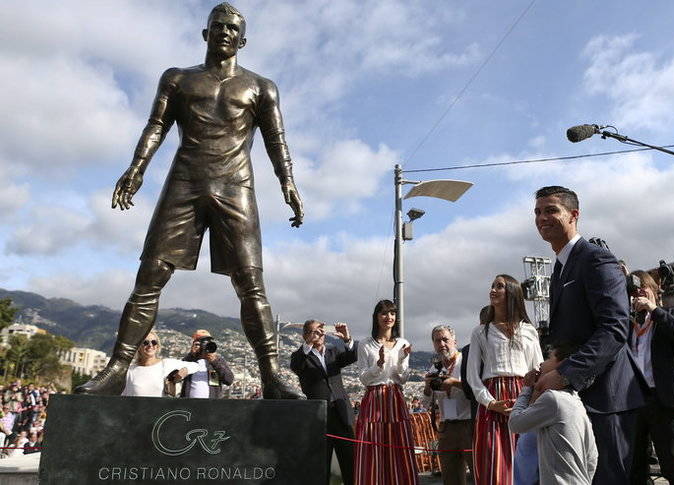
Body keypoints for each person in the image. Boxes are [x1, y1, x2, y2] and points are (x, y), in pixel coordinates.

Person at [75, 2, 304, 399]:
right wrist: (137, 167)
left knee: (251, 283)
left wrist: (288, 182)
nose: (225, 33)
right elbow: (157, 125)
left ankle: (271, 376)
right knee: (149, 277)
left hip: (236, 186)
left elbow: (276, 140)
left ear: (243, 40)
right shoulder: (178, 79)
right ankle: (115, 369)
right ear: (206, 33)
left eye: (233, 29)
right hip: (184, 182)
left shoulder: (260, 86)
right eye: (218, 26)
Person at [533, 186, 643, 485]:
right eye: (538, 212)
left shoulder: (596, 260)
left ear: (574, 215)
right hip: (579, 398)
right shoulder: (558, 270)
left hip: (608, 399)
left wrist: (565, 373)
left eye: (551, 210)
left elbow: (614, 328)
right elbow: (573, 333)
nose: (542, 217)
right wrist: (552, 363)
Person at [467, 275, 543, 485]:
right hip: (492, 400)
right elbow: (472, 375)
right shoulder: (481, 332)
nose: (493, 289)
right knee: (494, 464)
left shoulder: (528, 330)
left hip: (523, 397)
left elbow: (538, 367)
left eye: (499, 286)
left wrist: (532, 398)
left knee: (526, 461)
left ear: (511, 292)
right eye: (492, 285)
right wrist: (490, 403)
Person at [628, 270, 674, 485]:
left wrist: (654, 310)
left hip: (665, 400)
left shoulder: (672, 313)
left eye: (643, 289)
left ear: (655, 291)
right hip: (636, 400)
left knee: (673, 467)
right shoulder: (629, 324)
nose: (638, 295)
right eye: (633, 292)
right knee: (635, 466)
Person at [509, 342, 598, 485]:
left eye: (549, 358)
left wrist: (526, 388)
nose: (541, 363)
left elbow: (515, 423)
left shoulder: (553, 399)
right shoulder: (576, 400)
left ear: (561, 365)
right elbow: (592, 457)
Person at [354, 299, 419, 485]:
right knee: (372, 444)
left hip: (395, 397)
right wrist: (379, 364)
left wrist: (401, 359)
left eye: (392, 313)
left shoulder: (402, 343)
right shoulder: (365, 344)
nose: (388, 317)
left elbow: (403, 378)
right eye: (383, 313)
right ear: (376, 317)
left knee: (399, 444)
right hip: (374, 397)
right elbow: (364, 378)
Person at [290, 320, 357, 485]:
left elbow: (353, 356)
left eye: (320, 330)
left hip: (341, 414)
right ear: (305, 335)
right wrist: (308, 344)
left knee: (350, 461)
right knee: (321, 463)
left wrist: (347, 339)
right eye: (313, 331)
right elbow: (296, 366)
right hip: (320, 417)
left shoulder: (334, 352)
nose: (318, 334)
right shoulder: (300, 356)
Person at [422, 325, 474, 485]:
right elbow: (425, 403)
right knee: (450, 478)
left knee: (479, 473)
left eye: (445, 339)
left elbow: (477, 390)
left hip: (469, 425)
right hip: (446, 428)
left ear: (455, 341)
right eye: (437, 341)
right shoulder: (435, 368)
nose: (442, 344)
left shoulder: (466, 361)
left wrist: (455, 383)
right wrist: (427, 387)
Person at [121, 331, 203, 397]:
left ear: (157, 346)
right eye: (145, 342)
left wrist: (185, 370)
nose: (150, 345)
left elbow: (196, 366)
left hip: (161, 415)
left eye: (154, 342)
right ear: (139, 347)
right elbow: (124, 396)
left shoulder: (166, 364)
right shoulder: (130, 371)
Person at [180, 329, 234, 399]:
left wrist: (214, 361)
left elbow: (229, 380)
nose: (204, 345)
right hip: (189, 405)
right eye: (201, 342)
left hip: (211, 405)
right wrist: (191, 355)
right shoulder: (189, 360)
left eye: (208, 342)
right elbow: (175, 376)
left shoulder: (217, 360)